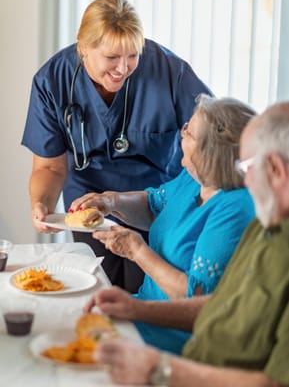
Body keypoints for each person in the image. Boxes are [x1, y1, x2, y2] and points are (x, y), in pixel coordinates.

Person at [83, 101, 289, 386]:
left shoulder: (241, 208)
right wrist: (135, 308)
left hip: (186, 362)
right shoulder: (268, 228)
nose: (245, 180)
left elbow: (272, 382)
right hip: (183, 355)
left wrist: (161, 370)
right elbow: (220, 306)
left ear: (276, 170)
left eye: (246, 165)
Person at [21, 0, 212, 293]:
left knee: (148, 295)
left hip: (156, 207)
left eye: (133, 55)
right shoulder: (52, 81)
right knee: (99, 292)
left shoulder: (170, 72)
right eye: (112, 57)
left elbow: (214, 134)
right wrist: (41, 205)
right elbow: (49, 165)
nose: (123, 68)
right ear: (84, 49)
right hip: (90, 208)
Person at [70, 94, 256, 354]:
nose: (182, 132)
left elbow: (197, 300)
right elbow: (153, 205)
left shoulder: (235, 207)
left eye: (189, 132)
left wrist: (137, 251)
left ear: (210, 151)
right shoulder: (194, 178)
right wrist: (111, 201)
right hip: (143, 311)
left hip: (175, 337)